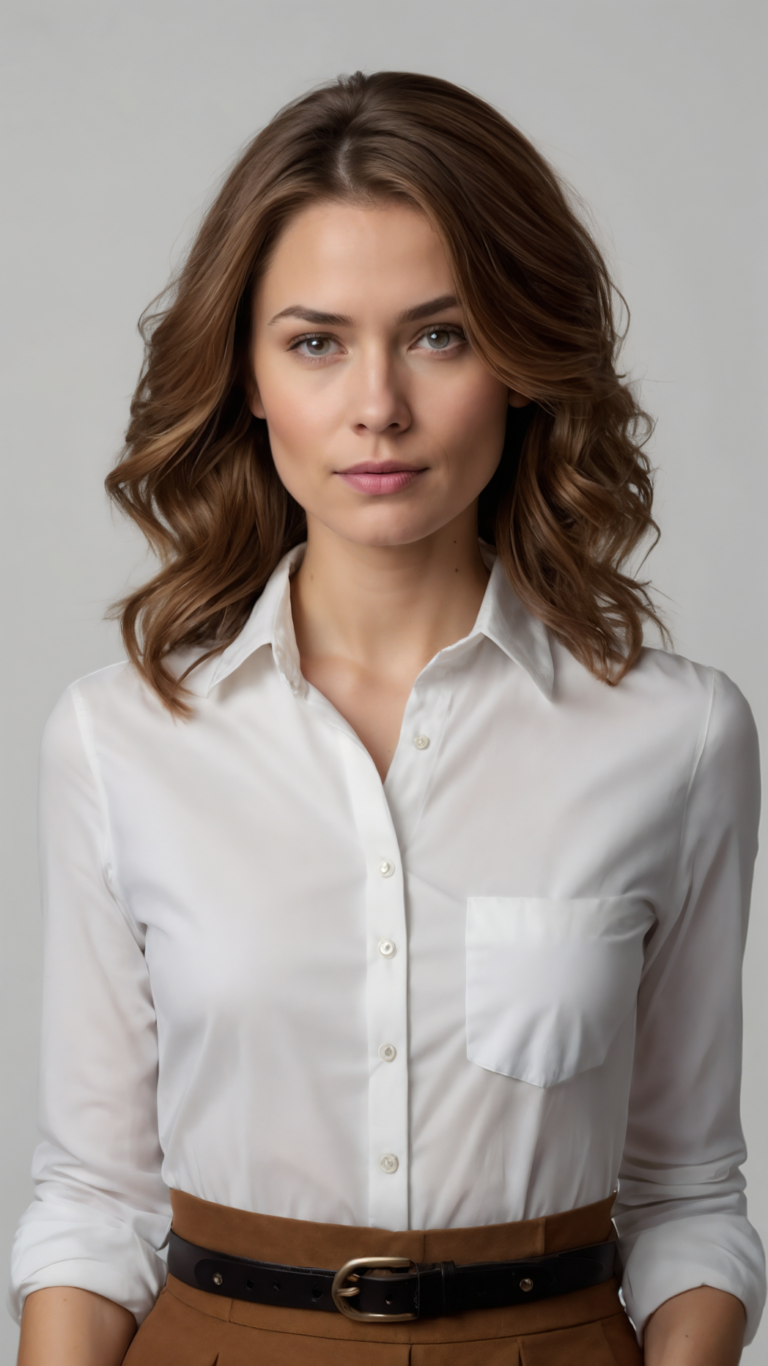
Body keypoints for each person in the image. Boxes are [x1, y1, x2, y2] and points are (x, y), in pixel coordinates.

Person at [10, 71, 764, 1366]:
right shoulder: (120, 737)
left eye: (440, 334)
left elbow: (689, 1191)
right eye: (316, 341)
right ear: (245, 374)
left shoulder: (677, 736)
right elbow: (94, 1198)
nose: (377, 407)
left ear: (522, 362)